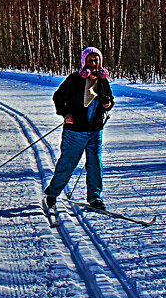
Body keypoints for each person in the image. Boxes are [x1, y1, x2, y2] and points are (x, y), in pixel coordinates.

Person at [44, 47, 114, 210]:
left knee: (95, 163)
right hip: (75, 131)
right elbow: (58, 97)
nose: (94, 63)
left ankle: (95, 198)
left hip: (96, 130)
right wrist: (66, 113)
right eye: (90, 60)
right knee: (68, 162)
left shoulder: (103, 80)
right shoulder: (75, 79)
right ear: (84, 62)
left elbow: (109, 98)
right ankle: (52, 194)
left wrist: (108, 104)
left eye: (96, 60)